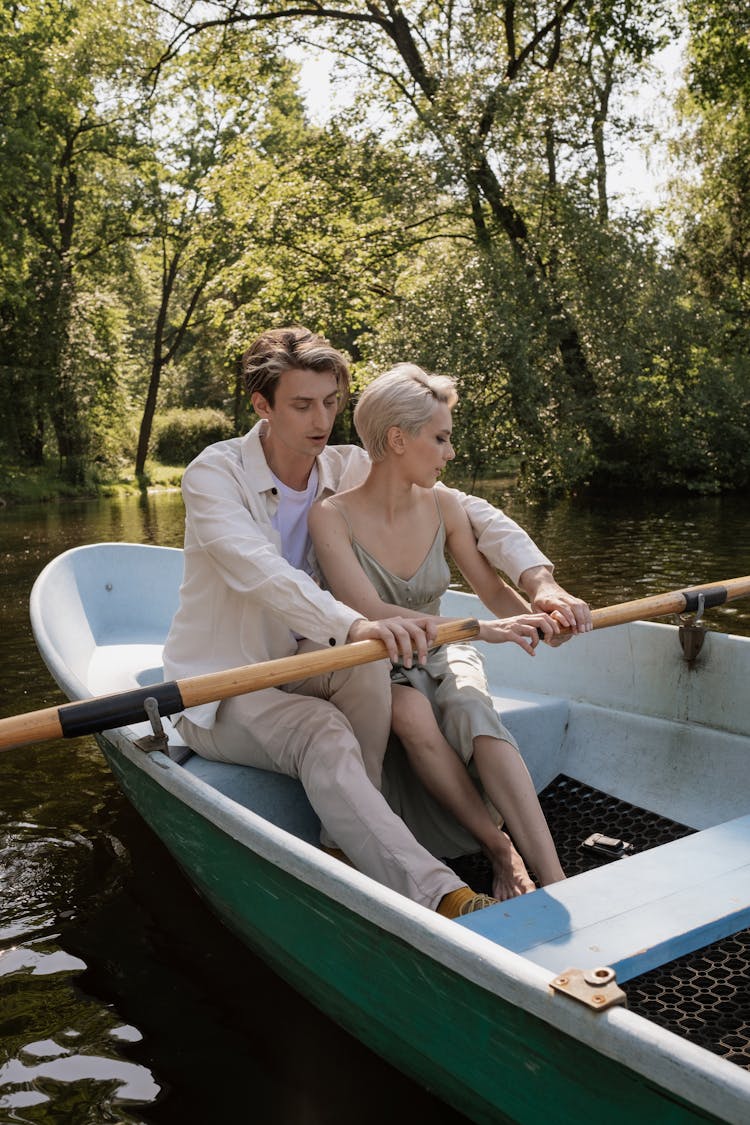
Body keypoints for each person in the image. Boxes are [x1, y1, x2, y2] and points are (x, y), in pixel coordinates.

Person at [162, 327, 590, 919]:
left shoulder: (344, 465)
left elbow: (468, 511)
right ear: (262, 406)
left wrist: (540, 583)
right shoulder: (214, 475)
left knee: (366, 670)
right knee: (326, 726)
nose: (323, 419)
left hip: (322, 657)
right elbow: (259, 571)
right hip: (235, 683)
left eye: (332, 402)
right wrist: (356, 623)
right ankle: (439, 893)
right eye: (303, 405)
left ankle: (352, 829)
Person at [308, 363, 570, 900]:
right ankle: (501, 849)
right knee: (410, 713)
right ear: (398, 439)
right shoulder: (329, 516)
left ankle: (559, 882)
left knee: (472, 704)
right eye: (442, 438)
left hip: (446, 647)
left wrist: (539, 613)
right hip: (378, 656)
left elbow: (491, 590)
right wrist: (483, 630)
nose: (450, 453)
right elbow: (371, 609)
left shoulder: (443, 503)